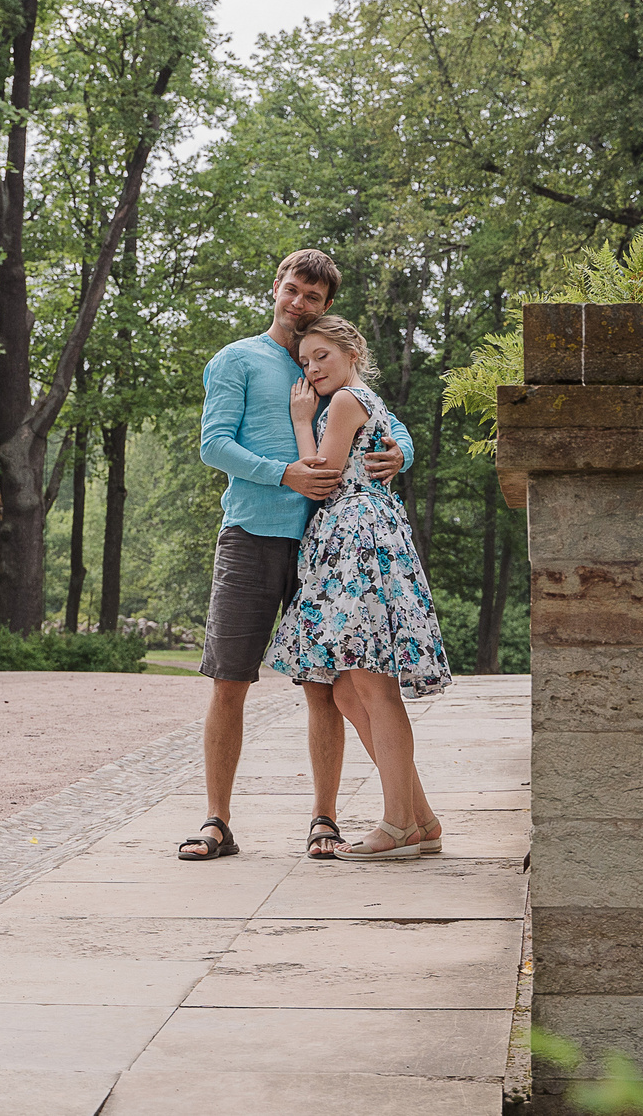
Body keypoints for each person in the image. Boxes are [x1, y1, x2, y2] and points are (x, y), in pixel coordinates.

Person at [185, 248, 413, 862]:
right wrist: (282, 473)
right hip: (252, 534)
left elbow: (382, 418)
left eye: (312, 297)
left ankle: (324, 819)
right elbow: (213, 446)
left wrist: (404, 456)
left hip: (326, 548)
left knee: (324, 684)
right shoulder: (237, 359)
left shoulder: (328, 358)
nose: (299, 303)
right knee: (229, 680)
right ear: (277, 288)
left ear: (326, 306)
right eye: (292, 290)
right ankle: (217, 821)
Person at [269, 314, 452, 861]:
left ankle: (396, 823)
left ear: (351, 353)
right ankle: (420, 818)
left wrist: (302, 418)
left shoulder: (347, 402)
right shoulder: (360, 402)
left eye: (321, 355)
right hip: (347, 539)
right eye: (304, 361)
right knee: (348, 690)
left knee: (372, 684)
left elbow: (321, 473)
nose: (312, 368)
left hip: (358, 538)